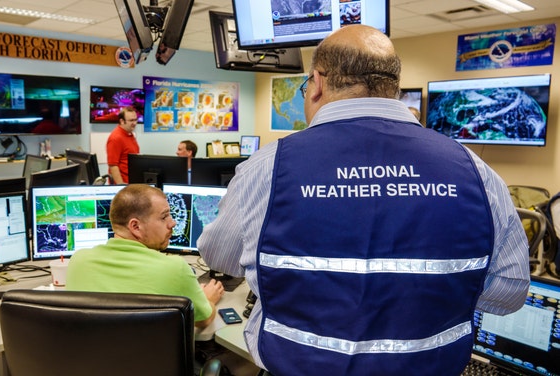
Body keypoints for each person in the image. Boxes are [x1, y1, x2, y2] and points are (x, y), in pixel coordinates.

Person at [197, 25, 529, 376]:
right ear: (394, 87)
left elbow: (220, 254)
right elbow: (510, 291)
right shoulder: (474, 169)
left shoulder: (268, 166)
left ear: (318, 82)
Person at [65, 184, 224, 328]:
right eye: (164, 217)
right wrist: (209, 298)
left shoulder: (78, 261)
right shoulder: (174, 268)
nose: (172, 223)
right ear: (135, 226)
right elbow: (203, 320)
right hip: (149, 360)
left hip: (90, 359)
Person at [106, 106, 140, 184]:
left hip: (131, 183)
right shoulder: (116, 138)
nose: (134, 123)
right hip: (123, 185)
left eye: (135, 120)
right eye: (131, 120)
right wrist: (121, 186)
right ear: (122, 121)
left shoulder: (129, 134)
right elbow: (113, 165)